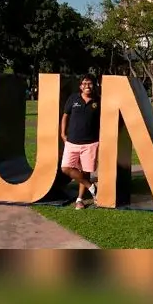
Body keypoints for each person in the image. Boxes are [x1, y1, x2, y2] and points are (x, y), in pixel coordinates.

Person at [61, 75, 101, 210]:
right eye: (84, 84)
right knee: (65, 168)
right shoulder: (73, 98)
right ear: (80, 86)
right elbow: (65, 116)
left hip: (90, 143)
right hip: (72, 141)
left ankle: (80, 200)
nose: (87, 86)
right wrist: (63, 133)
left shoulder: (98, 101)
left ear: (94, 85)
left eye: (90, 84)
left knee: (85, 172)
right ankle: (92, 187)